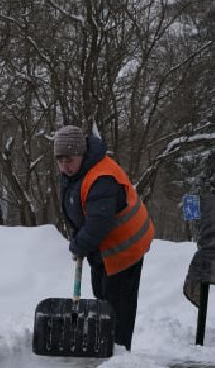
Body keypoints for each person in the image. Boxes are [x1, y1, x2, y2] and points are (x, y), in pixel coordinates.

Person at [53, 125, 155, 350]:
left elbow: (100, 222)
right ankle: (106, 344)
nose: (64, 166)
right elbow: (81, 210)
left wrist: (79, 244)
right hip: (103, 246)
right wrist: (79, 237)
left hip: (125, 246)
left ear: (81, 154)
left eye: (68, 160)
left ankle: (119, 351)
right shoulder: (76, 174)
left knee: (118, 303)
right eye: (59, 160)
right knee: (102, 296)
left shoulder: (102, 178)